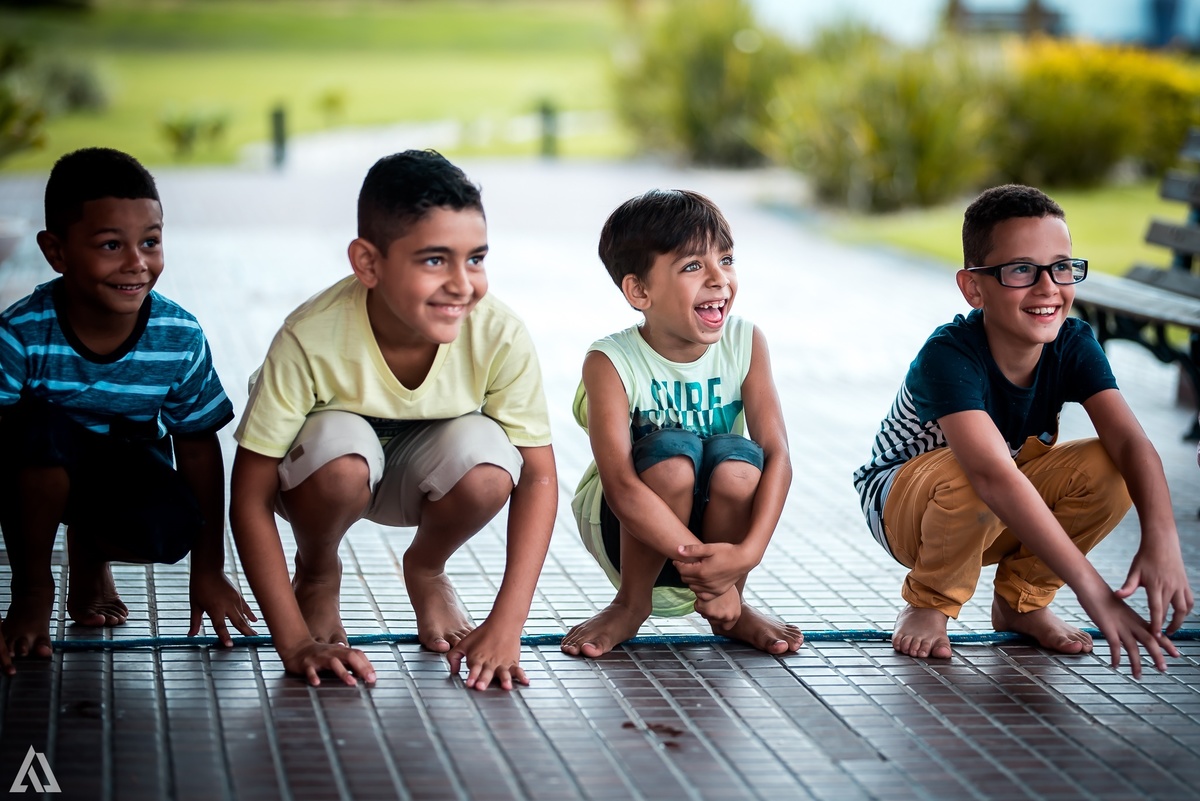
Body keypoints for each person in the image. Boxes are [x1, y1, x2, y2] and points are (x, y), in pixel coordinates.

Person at [230, 150, 557, 690]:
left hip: (416, 477)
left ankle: (426, 570)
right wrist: (292, 644)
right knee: (342, 457)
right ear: (368, 263)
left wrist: (507, 625)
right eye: (435, 260)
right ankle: (316, 571)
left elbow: (540, 476)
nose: (462, 284)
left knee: (492, 462)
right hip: (326, 479)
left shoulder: (498, 332)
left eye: (475, 258)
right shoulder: (309, 336)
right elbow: (249, 495)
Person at [853, 184, 1194, 677]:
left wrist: (1162, 540)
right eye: (1020, 270)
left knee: (1109, 466)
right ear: (973, 288)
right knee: (970, 470)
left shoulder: (1072, 343)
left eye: (1061, 266)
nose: (1048, 288)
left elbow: (1131, 443)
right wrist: (1095, 593)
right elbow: (991, 475)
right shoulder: (949, 354)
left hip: (993, 507)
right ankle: (929, 600)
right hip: (905, 508)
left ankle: (1022, 602)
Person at [0, 147, 256, 670]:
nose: (137, 263)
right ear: (57, 252)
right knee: (36, 435)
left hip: (120, 466)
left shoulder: (177, 336)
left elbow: (199, 448)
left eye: (151, 242)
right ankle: (33, 589)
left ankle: (90, 552)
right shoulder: (20, 334)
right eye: (111, 245)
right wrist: (25, 592)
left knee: (170, 529)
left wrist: (207, 569)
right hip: (33, 471)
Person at [560, 189, 803, 658]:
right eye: (693, 266)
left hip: (717, 532)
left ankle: (731, 601)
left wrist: (744, 556)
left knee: (741, 463)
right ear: (639, 291)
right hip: (628, 523)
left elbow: (779, 456)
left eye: (726, 259)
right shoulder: (609, 361)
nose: (719, 279)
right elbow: (622, 487)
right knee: (672, 456)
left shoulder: (745, 341)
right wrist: (705, 567)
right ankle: (632, 603)